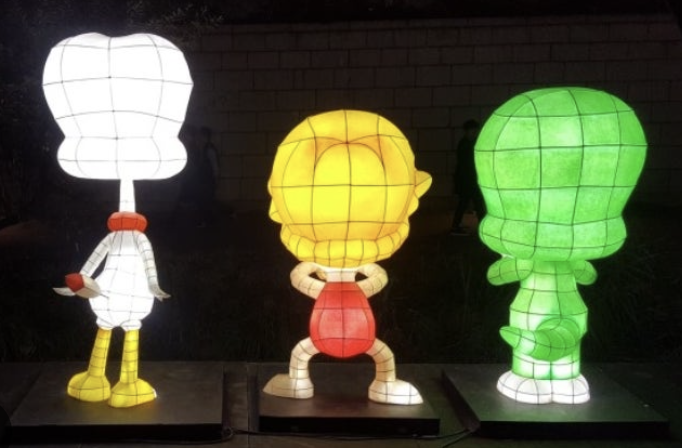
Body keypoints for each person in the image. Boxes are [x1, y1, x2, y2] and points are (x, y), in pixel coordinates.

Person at [450, 119, 485, 236]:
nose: (474, 133)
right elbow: (467, 164)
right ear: (467, 131)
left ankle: (456, 226)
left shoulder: (468, 143)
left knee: (467, 203)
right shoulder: (465, 145)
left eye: (475, 131)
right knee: (474, 204)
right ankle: (457, 227)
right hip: (468, 181)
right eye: (472, 131)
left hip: (469, 180)